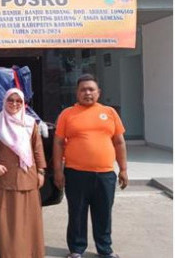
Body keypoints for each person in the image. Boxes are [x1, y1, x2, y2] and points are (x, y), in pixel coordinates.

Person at [52, 74, 128, 258]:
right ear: (77, 93)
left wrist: (123, 169)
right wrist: (57, 172)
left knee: (103, 213)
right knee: (77, 213)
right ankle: (77, 250)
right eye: (83, 90)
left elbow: (119, 142)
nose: (87, 93)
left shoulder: (109, 113)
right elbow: (59, 143)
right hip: (76, 174)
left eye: (91, 89)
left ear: (98, 92)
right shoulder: (67, 114)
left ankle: (105, 250)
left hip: (105, 174)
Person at [0, 88, 46, 258]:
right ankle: (9, 252)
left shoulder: (30, 123)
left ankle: (30, 251)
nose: (14, 104)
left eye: (18, 101)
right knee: (7, 217)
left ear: (23, 103)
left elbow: (37, 148)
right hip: (4, 177)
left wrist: (41, 171)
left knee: (28, 216)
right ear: (5, 102)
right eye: (10, 100)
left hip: (28, 176)